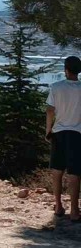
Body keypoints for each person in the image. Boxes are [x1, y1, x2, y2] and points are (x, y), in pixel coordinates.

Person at [46, 55, 81, 221]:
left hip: (59, 132)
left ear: (65, 69)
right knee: (75, 173)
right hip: (77, 134)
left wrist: (48, 130)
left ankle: (58, 206)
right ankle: (75, 210)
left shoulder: (56, 87)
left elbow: (50, 110)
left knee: (57, 171)